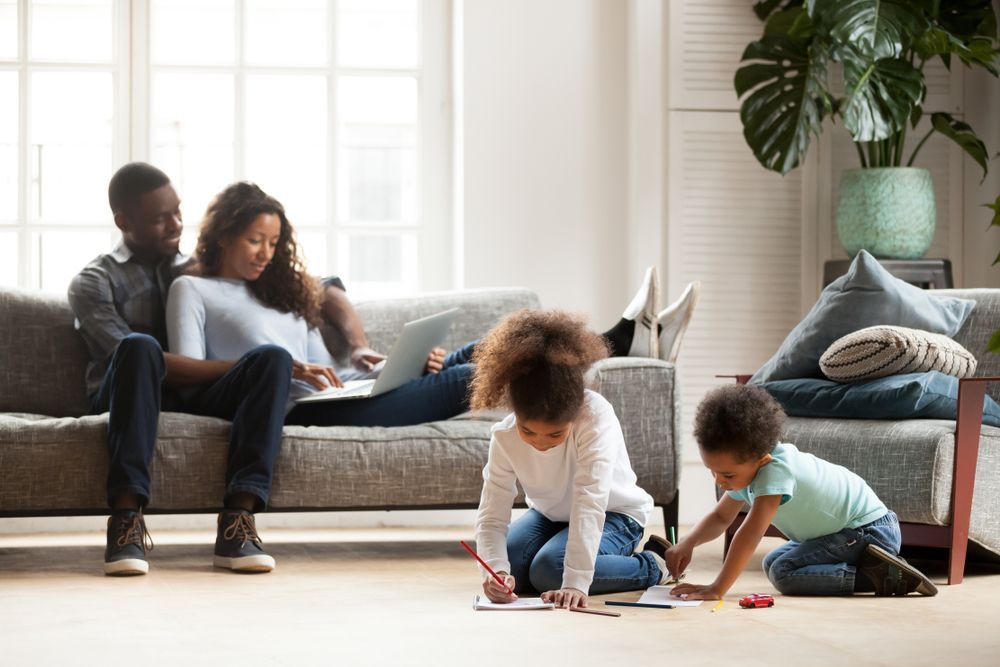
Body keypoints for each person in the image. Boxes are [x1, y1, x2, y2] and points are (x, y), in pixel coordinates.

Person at [69, 163, 294, 576]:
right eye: (160, 218)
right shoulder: (94, 282)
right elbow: (130, 358)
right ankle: (126, 523)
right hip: (123, 395)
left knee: (273, 357)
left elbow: (310, 282)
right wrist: (230, 367)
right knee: (139, 347)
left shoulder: (195, 270)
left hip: (193, 392)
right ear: (124, 221)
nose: (176, 224)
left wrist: (340, 310)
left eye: (177, 211)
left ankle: (238, 525)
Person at [166, 181, 476, 427]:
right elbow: (190, 381)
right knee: (469, 376)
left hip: (337, 395)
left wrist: (395, 366)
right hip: (298, 411)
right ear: (223, 236)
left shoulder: (279, 290)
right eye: (255, 240)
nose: (266, 254)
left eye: (273, 243)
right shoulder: (192, 289)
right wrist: (278, 370)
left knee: (488, 347)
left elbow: (333, 375)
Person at [469, 309, 671, 609]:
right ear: (515, 413)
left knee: (550, 571)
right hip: (551, 516)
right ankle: (571, 561)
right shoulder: (504, 435)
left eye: (554, 435)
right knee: (514, 570)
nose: (540, 443)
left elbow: (590, 501)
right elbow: (491, 516)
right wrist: (496, 571)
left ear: (574, 414)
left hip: (615, 514)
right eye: (528, 431)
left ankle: (654, 564)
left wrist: (576, 582)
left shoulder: (595, 417)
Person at [662, 384, 938, 599]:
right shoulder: (746, 473)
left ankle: (884, 576)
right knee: (772, 562)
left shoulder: (776, 471)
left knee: (783, 573)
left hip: (869, 532)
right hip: (843, 533)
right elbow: (721, 518)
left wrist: (718, 587)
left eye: (727, 474)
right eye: (713, 471)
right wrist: (687, 542)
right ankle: (873, 570)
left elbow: (750, 533)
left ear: (762, 459)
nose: (719, 481)